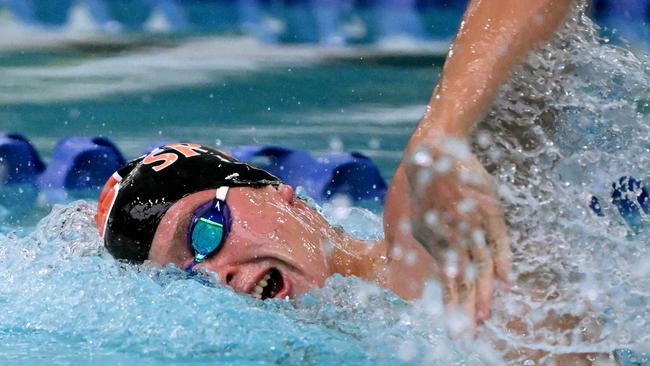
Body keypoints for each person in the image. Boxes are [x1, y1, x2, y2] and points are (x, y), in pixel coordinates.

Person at [96, 0, 591, 362]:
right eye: (185, 275)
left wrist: (442, 135)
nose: (214, 275)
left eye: (204, 230)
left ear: (275, 192)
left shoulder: (425, 242)